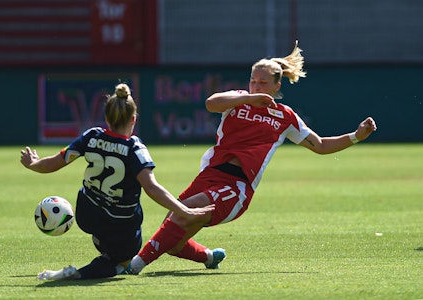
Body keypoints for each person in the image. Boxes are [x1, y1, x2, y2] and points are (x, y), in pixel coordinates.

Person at [126, 41, 377, 275]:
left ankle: (134, 265)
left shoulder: (285, 116)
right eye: (253, 81)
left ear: (277, 86)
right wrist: (247, 97)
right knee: (172, 238)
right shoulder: (238, 99)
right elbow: (211, 103)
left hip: (237, 187)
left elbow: (320, 145)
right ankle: (209, 258)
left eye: (263, 83)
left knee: (185, 212)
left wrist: (356, 136)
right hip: (210, 176)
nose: (256, 87)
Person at [20, 83, 214, 281]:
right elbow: (152, 188)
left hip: (86, 214)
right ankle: (79, 273)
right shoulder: (134, 148)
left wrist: (33, 164)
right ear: (133, 119)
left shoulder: (91, 136)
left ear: (106, 118)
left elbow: (55, 162)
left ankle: (103, 243)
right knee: (122, 262)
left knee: (101, 220)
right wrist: (185, 210)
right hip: (119, 223)